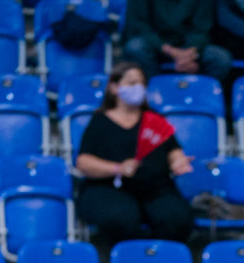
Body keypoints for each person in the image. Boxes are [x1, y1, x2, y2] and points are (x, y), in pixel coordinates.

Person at [75, 62, 196, 246]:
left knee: (177, 218)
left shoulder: (155, 118)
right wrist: (116, 168)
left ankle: (160, 262)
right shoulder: (100, 121)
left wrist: (178, 162)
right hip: (109, 188)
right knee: (121, 218)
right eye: (131, 83)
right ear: (114, 87)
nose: (138, 88)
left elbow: (173, 150)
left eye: (141, 83)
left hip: (155, 188)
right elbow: (83, 162)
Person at [122, 0, 232, 83]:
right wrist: (170, 51)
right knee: (135, 48)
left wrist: (190, 53)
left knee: (220, 58)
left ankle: (201, 98)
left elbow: (202, 29)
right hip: (154, 45)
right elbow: (139, 27)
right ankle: (154, 93)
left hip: (189, 48)